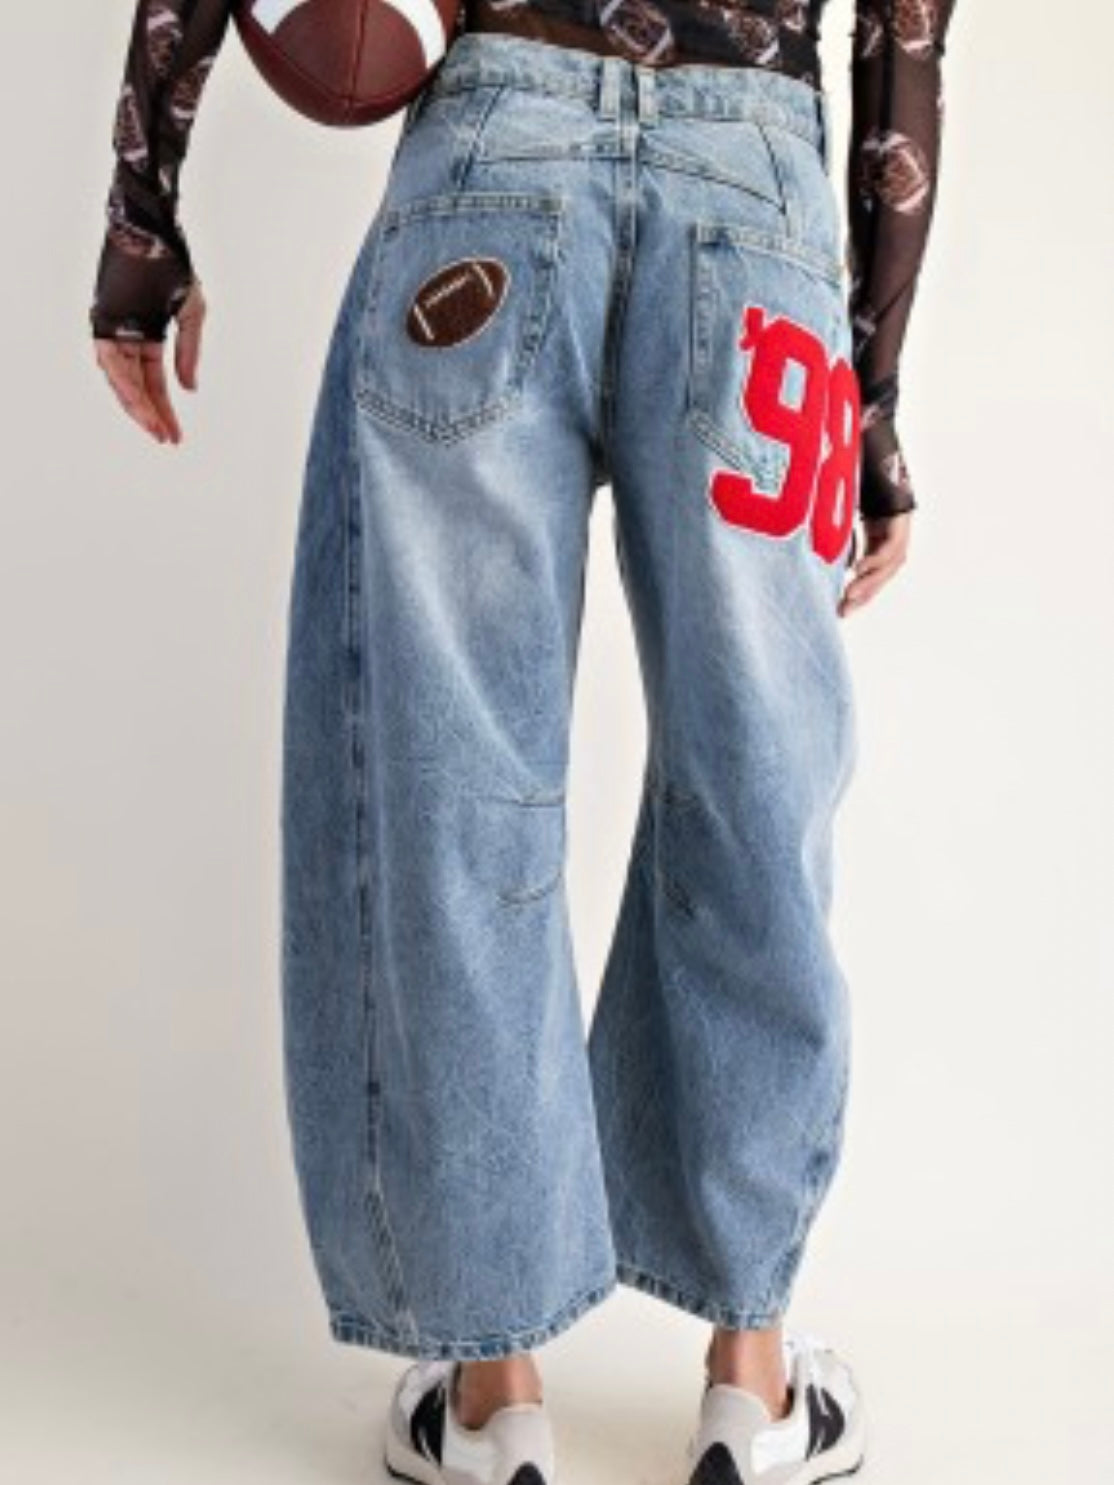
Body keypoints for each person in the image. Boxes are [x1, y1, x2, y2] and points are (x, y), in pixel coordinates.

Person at [90, 4, 957, 1484]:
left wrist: (141, 225)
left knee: (453, 788)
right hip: (754, 200)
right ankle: (750, 1381)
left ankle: (497, 1402)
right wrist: (866, 395)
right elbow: (905, 39)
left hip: (490, 167)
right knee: (757, 782)